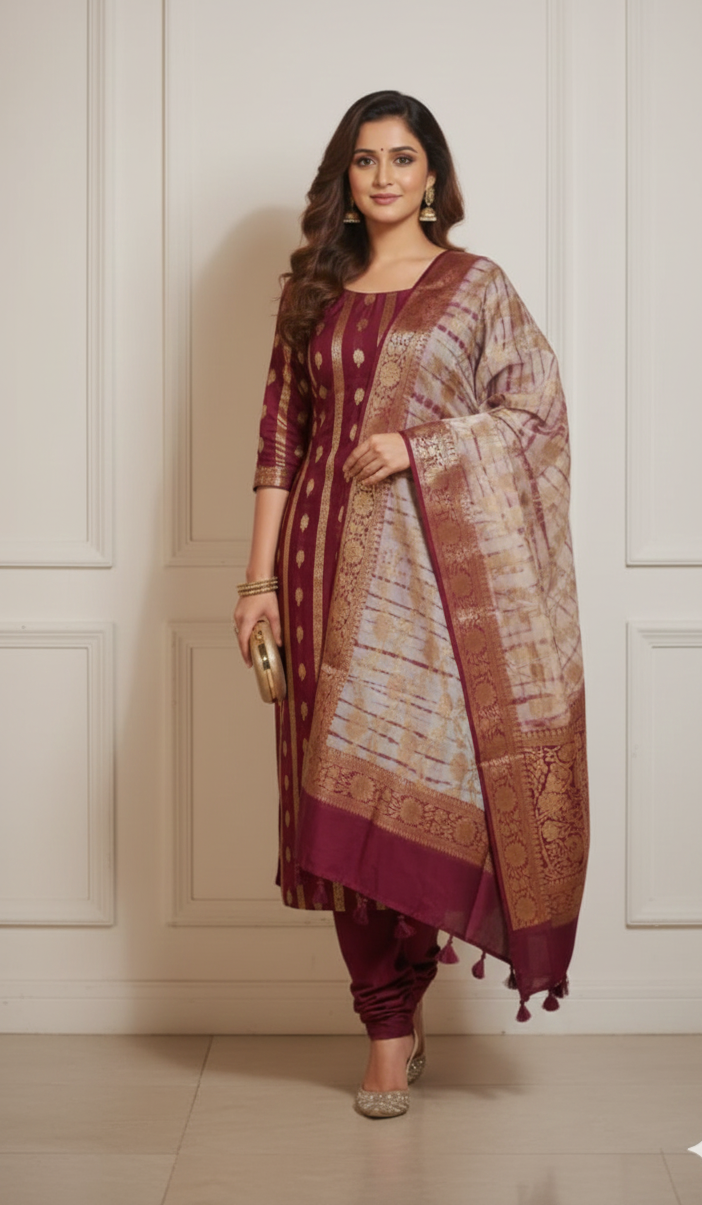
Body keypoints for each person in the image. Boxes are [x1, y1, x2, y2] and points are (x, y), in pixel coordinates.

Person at [233, 90, 589, 1118]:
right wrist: (257, 582)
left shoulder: (475, 289)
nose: (383, 177)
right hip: (315, 568)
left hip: (427, 595)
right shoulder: (315, 290)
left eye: (402, 158)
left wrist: (423, 446)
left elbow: (537, 415)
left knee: (411, 798)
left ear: (434, 174)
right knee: (334, 812)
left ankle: (412, 996)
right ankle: (386, 1026)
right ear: (343, 178)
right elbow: (279, 444)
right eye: (363, 160)